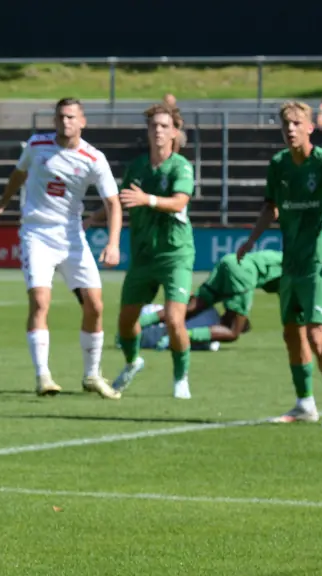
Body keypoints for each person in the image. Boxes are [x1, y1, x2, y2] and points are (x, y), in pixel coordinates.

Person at [236, 100, 322, 428]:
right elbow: (271, 208)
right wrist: (251, 240)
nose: (291, 129)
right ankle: (305, 404)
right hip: (291, 262)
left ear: (310, 127)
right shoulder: (279, 164)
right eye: (286, 125)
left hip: (320, 263)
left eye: (297, 123)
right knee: (292, 335)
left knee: (317, 336)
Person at [0, 98, 122, 399]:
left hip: (72, 237)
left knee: (95, 306)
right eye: (61, 117)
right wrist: (2, 204)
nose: (66, 122)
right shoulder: (36, 145)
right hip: (37, 233)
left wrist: (113, 243)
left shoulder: (93, 158)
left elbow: (112, 202)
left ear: (82, 121)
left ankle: (91, 374)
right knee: (40, 302)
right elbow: (18, 175)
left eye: (71, 117)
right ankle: (42, 375)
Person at [112, 102, 196, 399]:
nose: (158, 131)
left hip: (175, 255)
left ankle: (180, 378)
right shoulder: (137, 167)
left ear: (174, 132)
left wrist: (147, 199)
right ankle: (133, 362)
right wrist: (96, 220)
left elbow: (179, 202)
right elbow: (122, 201)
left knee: (174, 319)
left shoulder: (181, 166)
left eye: (164, 126)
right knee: (125, 322)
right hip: (143, 254)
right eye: (153, 126)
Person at [134, 251, 322, 349]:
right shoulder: (312, 271)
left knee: (192, 306)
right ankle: (176, 339)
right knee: (234, 331)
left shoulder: (296, 260)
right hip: (244, 273)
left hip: (230, 260)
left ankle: (136, 327)